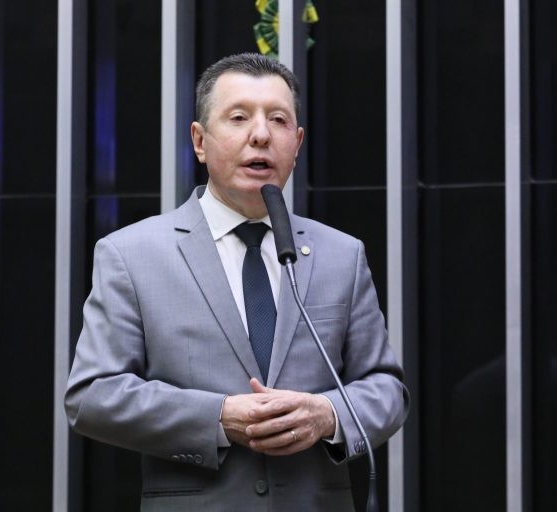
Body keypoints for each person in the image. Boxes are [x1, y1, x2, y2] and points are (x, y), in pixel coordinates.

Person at [65, 53, 409, 511]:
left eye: (278, 120)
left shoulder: (341, 255)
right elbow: (92, 396)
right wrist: (219, 417)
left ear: (297, 143)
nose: (261, 134)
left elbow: (385, 388)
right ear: (199, 141)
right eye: (239, 117)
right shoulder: (132, 254)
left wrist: (327, 415)